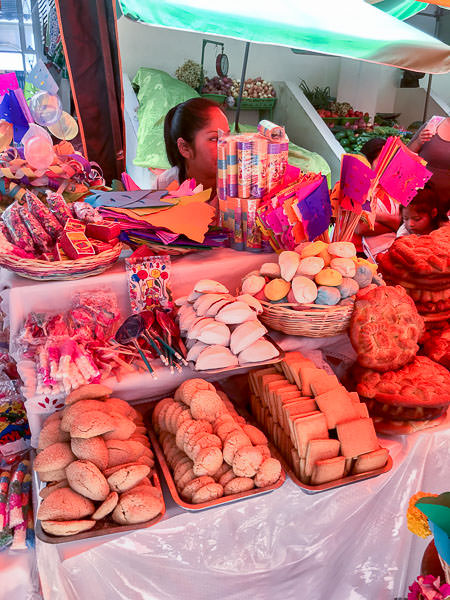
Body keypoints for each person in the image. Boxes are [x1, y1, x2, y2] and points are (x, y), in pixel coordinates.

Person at [157, 98, 230, 222]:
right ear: (185, 148)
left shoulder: (240, 185)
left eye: (228, 135)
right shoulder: (165, 187)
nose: (227, 145)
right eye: (214, 138)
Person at [353, 138, 401, 259]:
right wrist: (395, 223)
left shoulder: (395, 185)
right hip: (356, 253)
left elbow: (406, 223)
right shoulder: (356, 184)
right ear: (368, 162)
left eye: (390, 160)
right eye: (382, 160)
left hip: (388, 250)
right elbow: (361, 228)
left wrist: (377, 216)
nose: (387, 164)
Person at [408, 116, 450, 211]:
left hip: (445, 208)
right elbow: (405, 155)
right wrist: (419, 141)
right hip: (415, 200)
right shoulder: (434, 123)